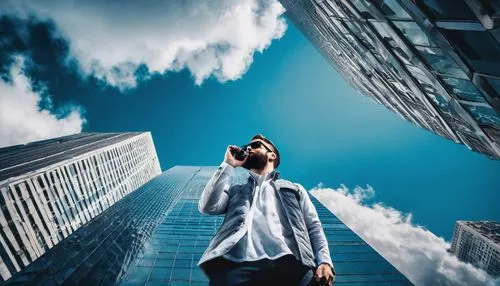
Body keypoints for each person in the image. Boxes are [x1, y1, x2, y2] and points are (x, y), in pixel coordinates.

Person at [198, 134, 335, 285]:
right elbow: (207, 206)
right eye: (248, 146)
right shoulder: (235, 189)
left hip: (293, 265)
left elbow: (313, 227)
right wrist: (228, 164)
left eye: (256, 145)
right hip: (235, 268)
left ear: (272, 155)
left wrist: (324, 261)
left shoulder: (294, 188)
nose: (249, 148)